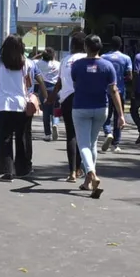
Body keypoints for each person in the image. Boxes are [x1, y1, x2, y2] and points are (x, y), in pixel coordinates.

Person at [72, 34, 124, 195]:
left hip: (81, 107)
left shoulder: (77, 65)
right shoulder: (108, 66)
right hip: (101, 108)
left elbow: (75, 83)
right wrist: (121, 114)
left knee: (83, 145)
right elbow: (114, 90)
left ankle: (92, 174)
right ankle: (88, 181)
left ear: (86, 47)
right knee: (92, 143)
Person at [0, 34, 40, 181]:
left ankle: (8, 170)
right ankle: (23, 168)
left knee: (5, 139)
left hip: (3, 104)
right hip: (22, 105)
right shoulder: (27, 63)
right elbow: (31, 83)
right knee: (22, 138)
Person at [51, 32, 86, 182]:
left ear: (72, 45)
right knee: (82, 136)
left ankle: (71, 171)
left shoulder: (64, 60)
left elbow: (59, 83)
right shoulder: (87, 59)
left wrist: (51, 98)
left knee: (70, 135)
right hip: (83, 99)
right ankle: (79, 168)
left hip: (66, 100)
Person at [101, 36, 132, 153]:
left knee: (106, 115)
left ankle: (108, 132)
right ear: (121, 45)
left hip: (106, 90)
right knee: (119, 116)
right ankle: (116, 144)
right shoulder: (126, 58)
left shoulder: (103, 57)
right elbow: (129, 76)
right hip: (120, 91)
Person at [35, 47, 61, 141]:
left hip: (43, 88)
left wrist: (38, 55)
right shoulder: (58, 64)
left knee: (45, 111)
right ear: (54, 55)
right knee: (57, 109)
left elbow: (30, 61)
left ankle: (47, 134)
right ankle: (55, 123)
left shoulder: (38, 63)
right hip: (56, 88)